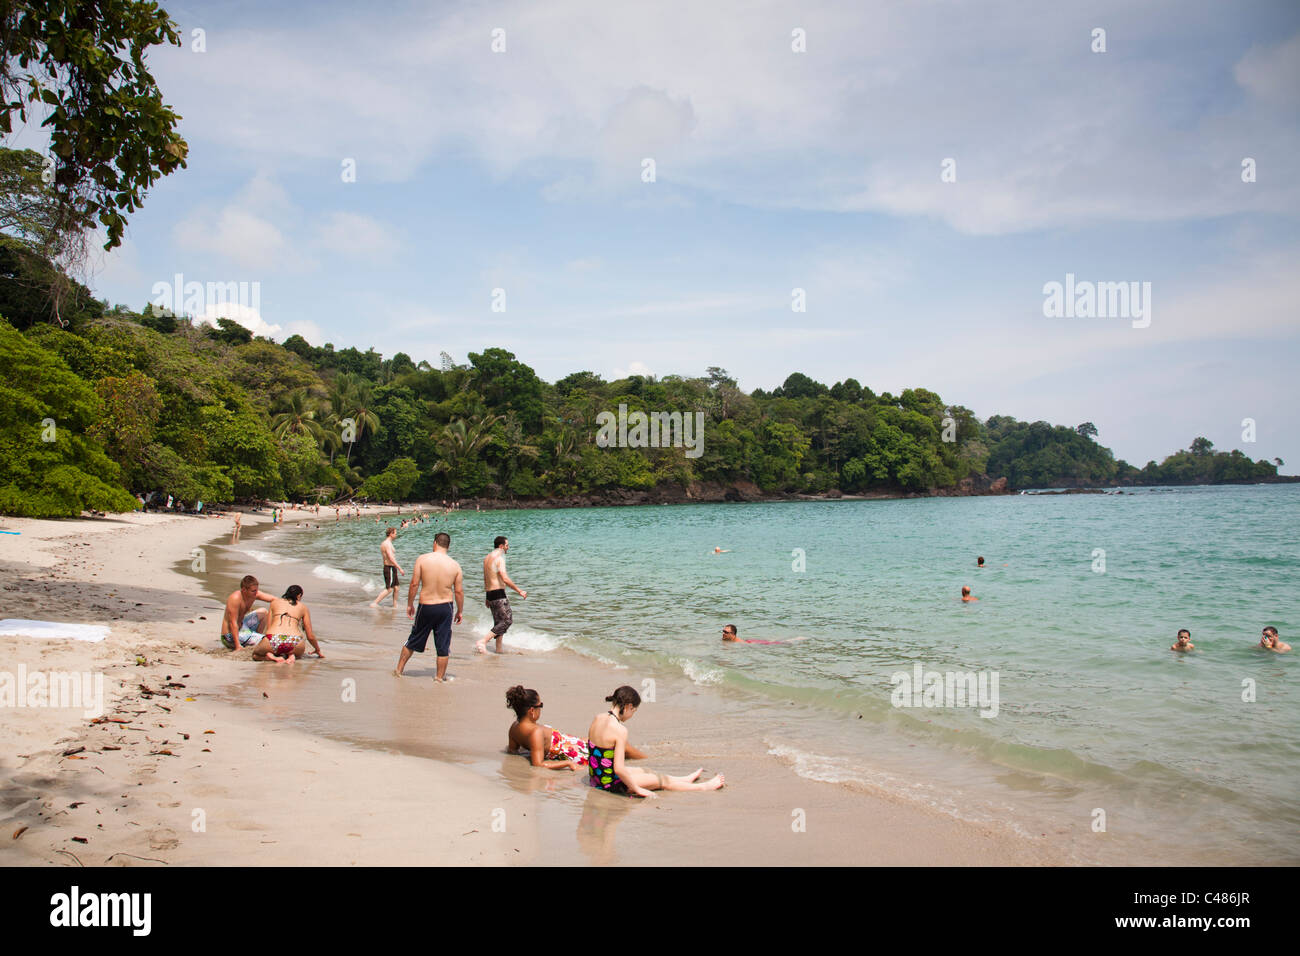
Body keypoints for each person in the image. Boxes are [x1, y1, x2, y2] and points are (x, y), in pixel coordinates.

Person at [586, 686, 723, 797]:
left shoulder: (598, 717)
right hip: (611, 784)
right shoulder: (620, 730)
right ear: (628, 706)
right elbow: (619, 769)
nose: (632, 715)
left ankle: (683, 779)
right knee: (661, 782)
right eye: (634, 711)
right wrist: (638, 789)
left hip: (597, 777)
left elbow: (597, 754)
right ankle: (704, 787)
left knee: (646, 770)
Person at [504, 685, 647, 770]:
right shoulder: (535, 732)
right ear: (531, 711)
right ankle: (646, 759)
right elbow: (538, 764)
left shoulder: (514, 727)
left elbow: (513, 750)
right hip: (573, 753)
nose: (541, 708)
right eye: (540, 705)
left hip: (570, 743)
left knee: (601, 741)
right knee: (620, 747)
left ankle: (644, 758)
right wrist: (567, 763)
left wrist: (532, 750)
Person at [396, 531, 463, 680]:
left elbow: (414, 583)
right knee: (443, 645)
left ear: (435, 543)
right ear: (448, 546)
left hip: (426, 605)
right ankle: (439, 678)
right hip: (445, 607)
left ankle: (399, 670)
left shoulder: (422, 559)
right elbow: (458, 592)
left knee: (413, 639)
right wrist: (460, 611)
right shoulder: (455, 565)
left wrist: (409, 604)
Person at [476, 536, 526, 654]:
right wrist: (519, 591)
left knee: (499, 623)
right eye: (507, 545)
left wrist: (487, 597)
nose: (508, 548)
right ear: (501, 546)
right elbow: (505, 578)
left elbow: (486, 579)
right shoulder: (499, 559)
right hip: (498, 594)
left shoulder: (487, 558)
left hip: (491, 594)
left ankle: (498, 649)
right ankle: (483, 641)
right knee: (507, 621)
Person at [252, 585, 323, 663]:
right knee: (298, 655)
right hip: (295, 641)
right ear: (299, 596)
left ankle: (272, 657)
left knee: (256, 655)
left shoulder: (274, 603)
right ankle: (291, 655)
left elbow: (269, 628)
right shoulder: (303, 607)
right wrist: (317, 649)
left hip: (273, 638)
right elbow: (310, 636)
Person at [220, 575, 276, 650]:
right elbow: (232, 623)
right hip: (229, 636)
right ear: (244, 590)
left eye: (257, 590)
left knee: (263, 612)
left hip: (242, 627)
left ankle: (256, 637)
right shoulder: (235, 598)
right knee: (267, 641)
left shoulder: (254, 594)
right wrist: (237, 646)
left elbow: (274, 599)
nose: (256, 593)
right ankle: (256, 640)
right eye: (253, 591)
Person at [369, 528, 404, 608]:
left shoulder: (388, 543)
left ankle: (395, 606)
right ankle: (374, 603)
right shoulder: (387, 544)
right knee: (389, 589)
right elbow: (390, 557)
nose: (396, 535)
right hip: (389, 568)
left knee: (396, 587)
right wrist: (400, 568)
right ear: (391, 534)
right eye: (395, 533)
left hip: (392, 567)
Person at [721, 624, 789, 645]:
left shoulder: (740, 643)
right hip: (749, 640)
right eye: (723, 631)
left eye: (726, 632)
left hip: (751, 642)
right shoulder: (726, 639)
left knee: (778, 643)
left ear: (732, 634)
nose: (723, 633)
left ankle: (796, 639)